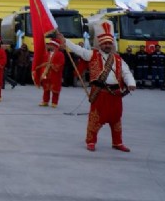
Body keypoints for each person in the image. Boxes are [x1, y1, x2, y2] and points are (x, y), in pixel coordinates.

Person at [57, 21, 136, 152]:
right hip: (100, 93)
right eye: (104, 43)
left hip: (115, 94)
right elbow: (78, 50)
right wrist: (64, 40)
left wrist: (131, 83)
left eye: (109, 43)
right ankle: (91, 141)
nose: (107, 45)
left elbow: (126, 72)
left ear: (112, 44)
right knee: (95, 118)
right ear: (100, 44)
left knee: (116, 119)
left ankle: (117, 142)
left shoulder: (118, 59)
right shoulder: (92, 55)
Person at [36, 39, 65, 108]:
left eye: (50, 45)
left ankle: (54, 102)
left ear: (54, 46)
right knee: (46, 88)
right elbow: (43, 61)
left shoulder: (60, 54)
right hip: (47, 73)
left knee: (55, 89)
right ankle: (45, 101)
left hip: (55, 74)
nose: (49, 46)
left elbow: (61, 64)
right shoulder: (47, 54)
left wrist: (52, 65)